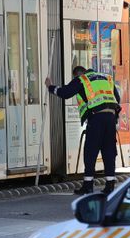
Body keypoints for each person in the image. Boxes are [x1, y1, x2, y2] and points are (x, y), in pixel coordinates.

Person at [46, 65, 121, 195]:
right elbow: (117, 99)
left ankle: (88, 186)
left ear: (77, 75)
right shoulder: (106, 78)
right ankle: (110, 186)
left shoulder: (82, 80)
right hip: (110, 118)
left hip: (96, 119)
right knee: (109, 152)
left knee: (90, 152)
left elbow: (65, 92)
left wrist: (50, 87)